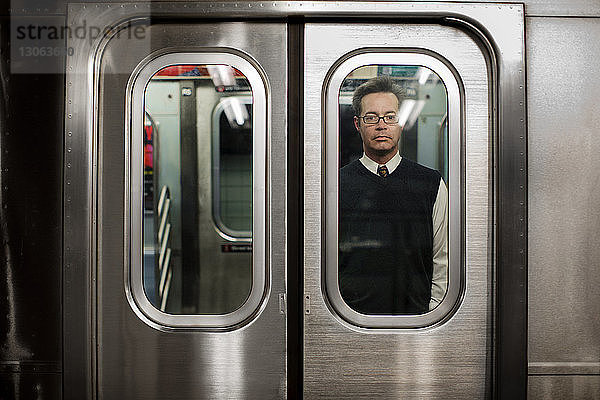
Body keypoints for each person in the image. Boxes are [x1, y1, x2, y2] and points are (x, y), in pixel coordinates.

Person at [338, 76, 448, 315]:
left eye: (390, 117)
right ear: (358, 124)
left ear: (401, 122)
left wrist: (433, 316)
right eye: (371, 118)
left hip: (416, 320)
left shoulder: (430, 184)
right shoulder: (334, 186)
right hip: (349, 322)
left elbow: (442, 260)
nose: (381, 125)